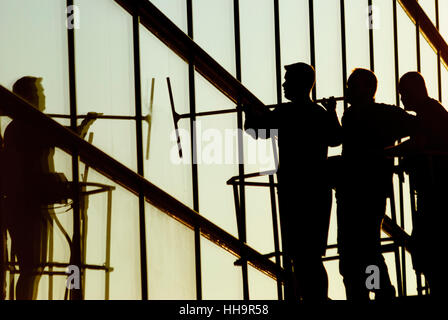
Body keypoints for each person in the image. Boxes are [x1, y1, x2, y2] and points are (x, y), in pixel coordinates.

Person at [243, 62, 342, 301]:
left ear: (299, 84)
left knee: (299, 253)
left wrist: (248, 112)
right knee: (311, 254)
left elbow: (255, 131)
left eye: (288, 80)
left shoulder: (287, 113)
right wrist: (331, 112)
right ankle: (315, 297)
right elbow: (336, 139)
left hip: (294, 190)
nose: (284, 84)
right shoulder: (317, 113)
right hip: (317, 190)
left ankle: (309, 298)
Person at [0, 76, 97, 300]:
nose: (42, 97)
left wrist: (82, 126)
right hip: (29, 206)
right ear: (28, 97)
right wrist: (83, 126)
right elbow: (67, 138)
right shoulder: (27, 127)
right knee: (32, 267)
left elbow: (64, 136)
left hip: (26, 204)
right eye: (38, 93)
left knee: (32, 267)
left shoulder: (22, 127)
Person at [336, 68, 415, 300]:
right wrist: (395, 155)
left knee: (356, 250)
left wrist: (393, 153)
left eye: (353, 85)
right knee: (366, 248)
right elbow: (418, 126)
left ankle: (372, 291)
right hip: (369, 190)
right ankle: (377, 290)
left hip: (357, 191)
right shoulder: (379, 114)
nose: (348, 90)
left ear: (368, 88)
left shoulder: (362, 115)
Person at [386, 72, 448, 297]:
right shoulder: (433, 111)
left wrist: (386, 154)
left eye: (404, 93)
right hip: (434, 190)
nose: (401, 98)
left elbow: (418, 144)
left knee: (429, 247)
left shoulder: (428, 113)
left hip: (435, 193)